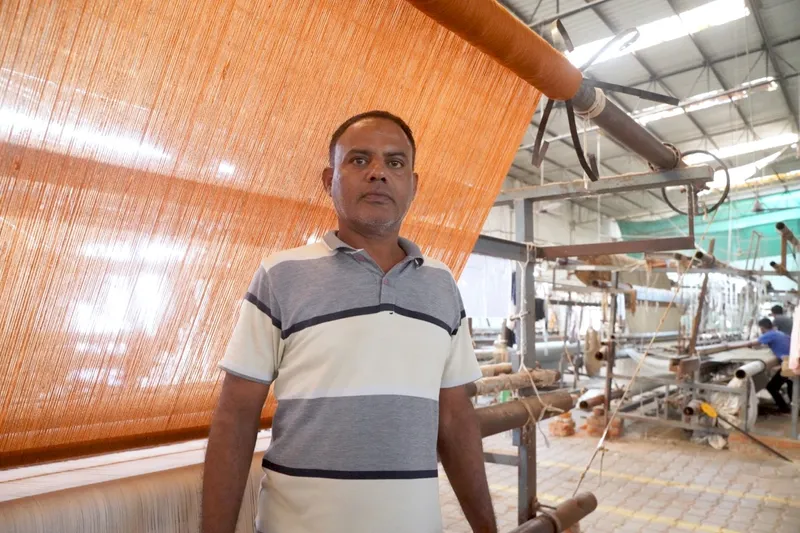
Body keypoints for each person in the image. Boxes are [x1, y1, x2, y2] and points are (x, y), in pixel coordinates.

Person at [202, 111, 495, 533]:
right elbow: (236, 416)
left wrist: (487, 529)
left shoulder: (441, 284)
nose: (378, 172)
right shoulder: (281, 275)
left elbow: (455, 418)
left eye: (395, 162)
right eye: (359, 160)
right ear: (329, 180)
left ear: (413, 185)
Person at [758, 317, 793, 413]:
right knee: (791, 383)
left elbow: (753, 343)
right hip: (792, 361)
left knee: (772, 387)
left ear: (762, 328)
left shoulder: (769, 334)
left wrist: (728, 346)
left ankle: (785, 408)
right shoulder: (779, 333)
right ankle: (793, 407)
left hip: (788, 363)